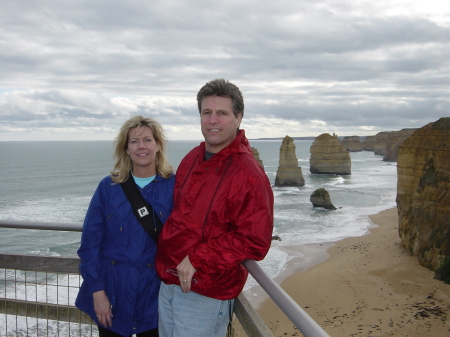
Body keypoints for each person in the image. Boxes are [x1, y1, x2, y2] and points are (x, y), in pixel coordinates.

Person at [155, 79, 274, 337]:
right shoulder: (191, 159)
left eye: (222, 113)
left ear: (238, 118)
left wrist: (198, 258)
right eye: (206, 112)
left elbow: (255, 240)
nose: (212, 120)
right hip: (169, 283)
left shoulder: (249, 174)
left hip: (207, 292)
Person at [76, 115, 175, 337]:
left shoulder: (174, 187)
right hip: (112, 294)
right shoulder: (108, 187)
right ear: (126, 149)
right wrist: (97, 292)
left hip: (154, 296)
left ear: (158, 145)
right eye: (134, 141)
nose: (142, 146)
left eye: (148, 140)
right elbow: (89, 244)